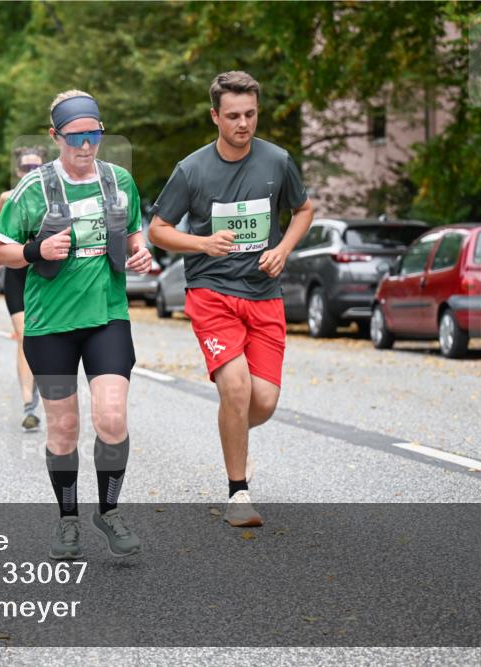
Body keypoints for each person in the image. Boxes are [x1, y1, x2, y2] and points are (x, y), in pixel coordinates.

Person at [148, 71, 314, 528]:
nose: (244, 124)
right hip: (212, 293)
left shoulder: (277, 161)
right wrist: (203, 244)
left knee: (263, 401)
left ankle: (232, 426)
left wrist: (282, 249)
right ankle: (238, 494)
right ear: (215, 116)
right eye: (234, 116)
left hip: (264, 295)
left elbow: (303, 210)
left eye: (251, 114)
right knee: (237, 388)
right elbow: (157, 230)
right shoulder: (192, 169)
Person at [0, 90, 153, 559]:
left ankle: (109, 510)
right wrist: (33, 252)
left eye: (94, 134)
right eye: (75, 137)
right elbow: (0, 249)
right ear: (55, 136)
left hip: (107, 316)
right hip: (50, 326)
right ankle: (68, 521)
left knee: (112, 417)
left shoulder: (119, 181)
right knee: (63, 429)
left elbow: (133, 236)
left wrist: (140, 253)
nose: (86, 146)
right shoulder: (32, 190)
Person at [0, 146, 47, 431]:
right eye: (26, 169)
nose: (30, 173)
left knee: (42, 339)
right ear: (18, 171)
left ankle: (39, 386)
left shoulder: (53, 198)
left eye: (36, 168)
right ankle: (28, 405)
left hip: (47, 277)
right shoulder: (7, 198)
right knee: (25, 337)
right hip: (18, 276)